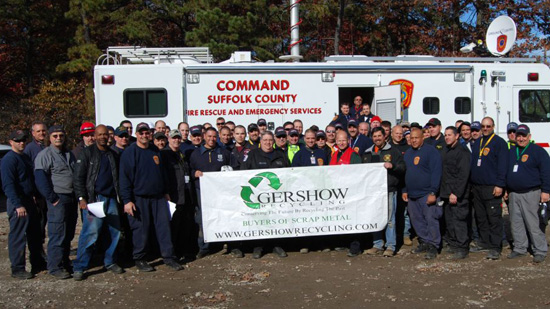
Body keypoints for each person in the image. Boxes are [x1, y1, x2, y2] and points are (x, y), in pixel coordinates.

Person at [119, 122, 183, 272]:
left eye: (146, 133)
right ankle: (140, 258)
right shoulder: (130, 152)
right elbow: (124, 179)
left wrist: (166, 192)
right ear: (136, 135)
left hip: (159, 197)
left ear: (150, 134)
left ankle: (169, 257)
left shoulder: (155, 150)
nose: (144, 135)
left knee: (164, 228)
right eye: (141, 133)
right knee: (141, 229)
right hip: (139, 198)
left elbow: (162, 174)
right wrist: (127, 200)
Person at [72, 125, 124, 280]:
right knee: (90, 234)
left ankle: (110, 261)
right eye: (99, 134)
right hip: (95, 200)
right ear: (94, 136)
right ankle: (80, 266)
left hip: (111, 199)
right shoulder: (87, 153)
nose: (103, 137)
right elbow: (78, 178)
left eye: (105, 135)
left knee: (114, 233)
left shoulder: (112, 155)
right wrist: (82, 198)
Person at [1, 130, 46, 279]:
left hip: (29, 200)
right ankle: (18, 268)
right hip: (18, 203)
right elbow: (8, 185)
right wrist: (17, 205)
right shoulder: (9, 160)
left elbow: (29, 180)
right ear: (11, 142)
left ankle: (38, 263)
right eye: (18, 140)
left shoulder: (25, 158)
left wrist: (34, 195)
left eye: (23, 140)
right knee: (18, 236)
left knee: (35, 234)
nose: (21, 143)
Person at [34, 125, 77, 279]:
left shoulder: (68, 154)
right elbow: (40, 178)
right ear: (49, 138)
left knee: (69, 233)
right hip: (58, 198)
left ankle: (65, 262)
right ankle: (54, 267)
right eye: (55, 136)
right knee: (57, 233)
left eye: (61, 135)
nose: (58, 138)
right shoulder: (45, 155)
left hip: (71, 198)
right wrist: (52, 198)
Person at [506, 124, 550, 263]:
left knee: (533, 223)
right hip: (514, 193)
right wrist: (506, 189)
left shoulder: (538, 151)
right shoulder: (512, 151)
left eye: (523, 136)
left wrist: (546, 191)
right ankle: (520, 248)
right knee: (516, 222)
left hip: (531, 192)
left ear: (529, 137)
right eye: (518, 136)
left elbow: (546, 172)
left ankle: (540, 250)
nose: (520, 138)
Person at [241, 131, 289, 258]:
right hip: (258, 196)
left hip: (276, 196)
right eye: (265, 140)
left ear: (273, 141)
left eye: (270, 140)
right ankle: (258, 247)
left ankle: (276, 246)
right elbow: (243, 173)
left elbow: (289, 173)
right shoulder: (253, 154)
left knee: (276, 220)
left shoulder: (280, 154)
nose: (268, 143)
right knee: (259, 220)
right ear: (260, 142)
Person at [189, 127, 233, 258]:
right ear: (204, 137)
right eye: (209, 136)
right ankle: (204, 247)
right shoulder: (195, 154)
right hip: (201, 191)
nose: (212, 139)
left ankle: (226, 244)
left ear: (217, 137)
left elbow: (231, 168)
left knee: (223, 216)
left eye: (214, 136)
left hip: (220, 192)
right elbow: (189, 170)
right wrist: (194, 173)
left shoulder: (224, 152)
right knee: (203, 219)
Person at [362, 127, 405, 257]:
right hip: (373, 192)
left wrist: (393, 166)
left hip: (389, 190)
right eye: (374, 136)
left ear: (384, 136)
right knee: (376, 217)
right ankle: (377, 244)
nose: (377, 138)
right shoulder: (367, 153)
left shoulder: (393, 151)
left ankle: (391, 245)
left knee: (390, 219)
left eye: (379, 136)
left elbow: (403, 167)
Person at [469, 117, 508, 260]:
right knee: (481, 217)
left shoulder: (499, 143)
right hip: (477, 187)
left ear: (493, 127)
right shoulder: (478, 142)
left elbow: (502, 166)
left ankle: (496, 246)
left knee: (494, 218)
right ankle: (484, 242)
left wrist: (500, 185)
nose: (485, 129)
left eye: (488, 126)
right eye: (483, 126)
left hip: (492, 187)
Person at [402, 128, 442, 260]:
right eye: (411, 138)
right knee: (417, 220)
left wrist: (433, 192)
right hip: (412, 194)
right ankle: (424, 241)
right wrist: (404, 190)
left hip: (426, 193)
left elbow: (436, 172)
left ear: (422, 138)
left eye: (416, 138)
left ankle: (434, 245)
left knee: (431, 220)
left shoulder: (431, 152)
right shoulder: (407, 154)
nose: (413, 140)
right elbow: (405, 174)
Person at [161, 129, 196, 262]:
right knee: (173, 228)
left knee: (183, 226)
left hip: (185, 196)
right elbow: (162, 176)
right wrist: (166, 193)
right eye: (173, 138)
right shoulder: (164, 154)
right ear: (168, 139)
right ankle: (171, 254)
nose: (176, 140)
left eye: (178, 138)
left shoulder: (181, 154)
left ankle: (180, 251)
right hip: (173, 197)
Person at [440, 126, 471, 259]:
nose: (447, 137)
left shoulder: (462, 152)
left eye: (449, 135)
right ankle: (453, 244)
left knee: (459, 221)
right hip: (446, 192)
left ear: (457, 136)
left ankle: (462, 247)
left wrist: (456, 193)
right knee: (450, 220)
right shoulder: (446, 150)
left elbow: (463, 175)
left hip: (458, 194)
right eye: (445, 135)